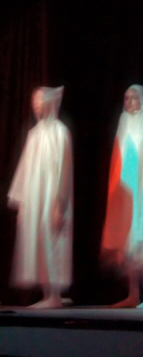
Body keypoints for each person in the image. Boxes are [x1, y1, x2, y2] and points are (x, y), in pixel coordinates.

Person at [101, 85, 143, 308]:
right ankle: (133, 294)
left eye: (134, 98)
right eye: (126, 98)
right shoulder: (124, 125)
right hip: (127, 195)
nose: (129, 102)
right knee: (129, 246)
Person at [8, 86, 73, 308]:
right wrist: (22, 202)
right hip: (36, 197)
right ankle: (49, 294)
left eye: (39, 100)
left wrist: (59, 205)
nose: (35, 105)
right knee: (41, 240)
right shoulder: (34, 134)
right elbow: (25, 169)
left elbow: (64, 171)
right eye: (33, 101)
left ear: (50, 103)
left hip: (52, 197)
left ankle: (54, 294)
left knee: (53, 240)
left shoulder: (60, 132)